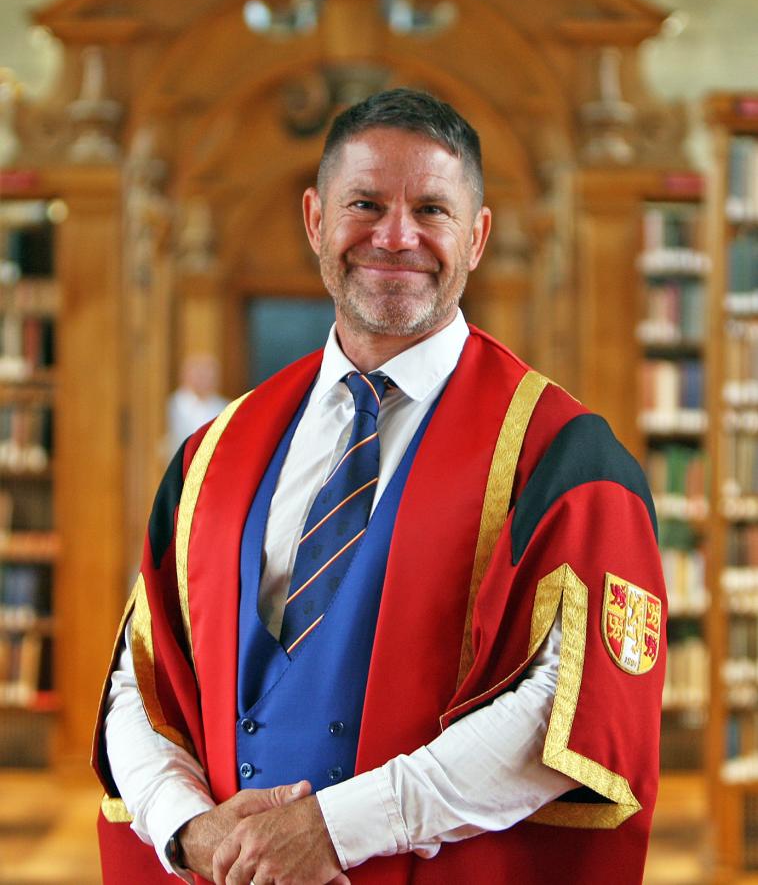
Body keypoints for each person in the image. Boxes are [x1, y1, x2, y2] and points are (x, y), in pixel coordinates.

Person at [92, 89, 666, 885]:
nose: (395, 237)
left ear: (478, 235)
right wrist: (187, 827)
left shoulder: (561, 459)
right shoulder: (212, 454)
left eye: (431, 208)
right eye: (364, 203)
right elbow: (139, 676)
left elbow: (563, 711)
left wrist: (336, 829)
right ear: (315, 220)